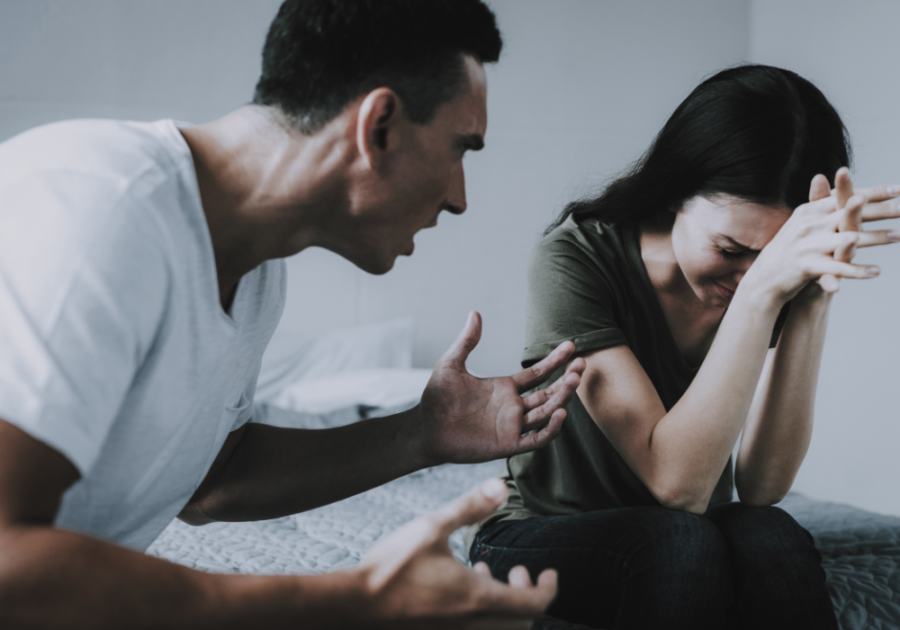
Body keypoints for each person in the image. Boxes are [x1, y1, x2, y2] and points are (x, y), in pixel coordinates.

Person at [0, 1, 587, 628]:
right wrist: (356, 599)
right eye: (458, 149)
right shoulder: (103, 212)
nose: (459, 198)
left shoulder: (257, 274)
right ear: (379, 125)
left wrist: (423, 433)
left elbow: (209, 482)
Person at [467, 64, 900, 629]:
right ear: (676, 194)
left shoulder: (774, 279)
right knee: (679, 543)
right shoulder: (574, 261)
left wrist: (813, 300)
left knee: (771, 533)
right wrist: (762, 294)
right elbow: (678, 487)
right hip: (541, 530)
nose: (747, 277)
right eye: (729, 249)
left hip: (689, 528)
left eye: (767, 260)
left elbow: (764, 486)